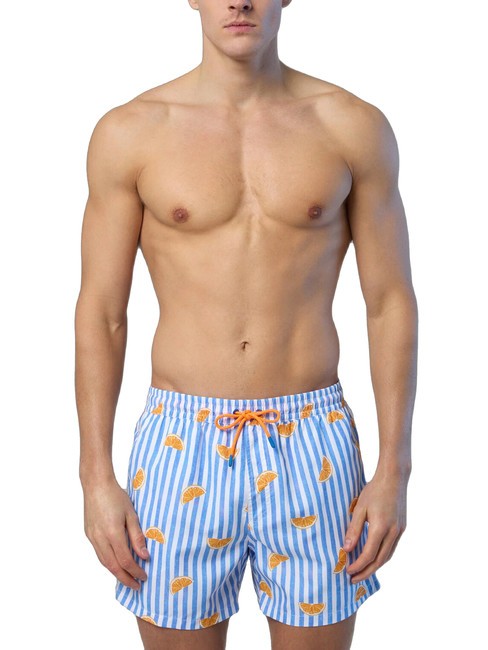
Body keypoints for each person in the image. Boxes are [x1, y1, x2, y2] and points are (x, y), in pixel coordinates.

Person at [74, 1, 418, 648]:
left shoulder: (351, 126)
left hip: (312, 440)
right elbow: (102, 312)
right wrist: (95, 477)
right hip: (181, 441)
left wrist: (394, 469)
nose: (238, 1)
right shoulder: (131, 132)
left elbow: (389, 301)